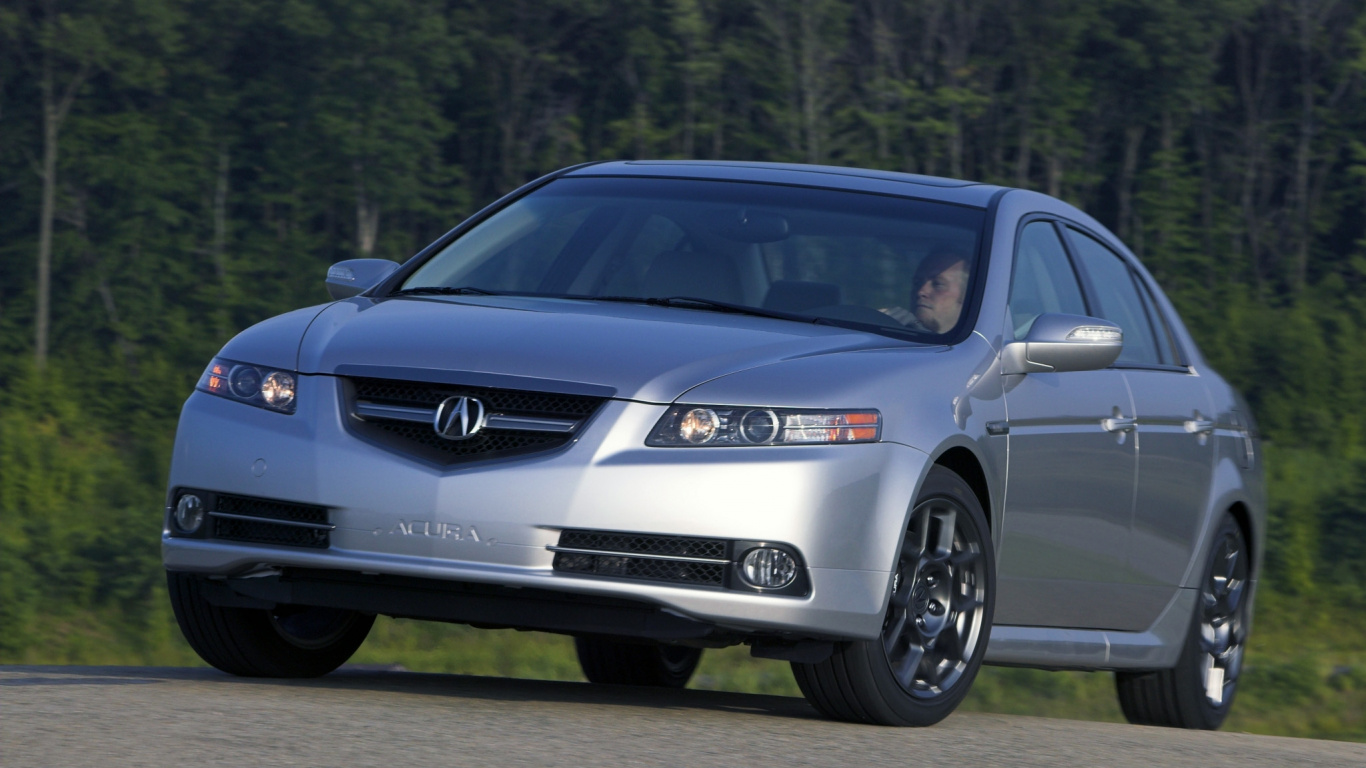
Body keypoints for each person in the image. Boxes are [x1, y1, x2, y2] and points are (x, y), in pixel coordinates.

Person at [880, 249, 971, 333]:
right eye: (917, 283)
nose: (921, 292)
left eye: (938, 284)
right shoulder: (888, 331)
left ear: (966, 297)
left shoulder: (977, 347)